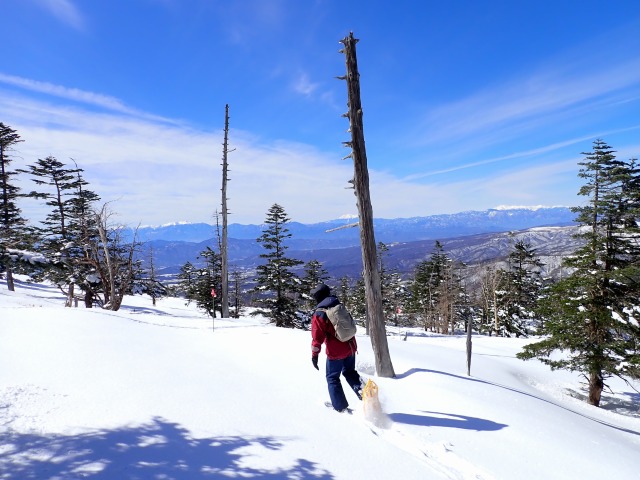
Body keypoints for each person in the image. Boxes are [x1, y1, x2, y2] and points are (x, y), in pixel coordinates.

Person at [310, 283, 363, 412]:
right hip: (350, 346)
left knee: (332, 378)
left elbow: (317, 338)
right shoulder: (338, 305)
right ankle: (367, 396)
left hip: (335, 352)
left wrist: (314, 355)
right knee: (350, 372)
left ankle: (340, 407)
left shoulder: (320, 313)